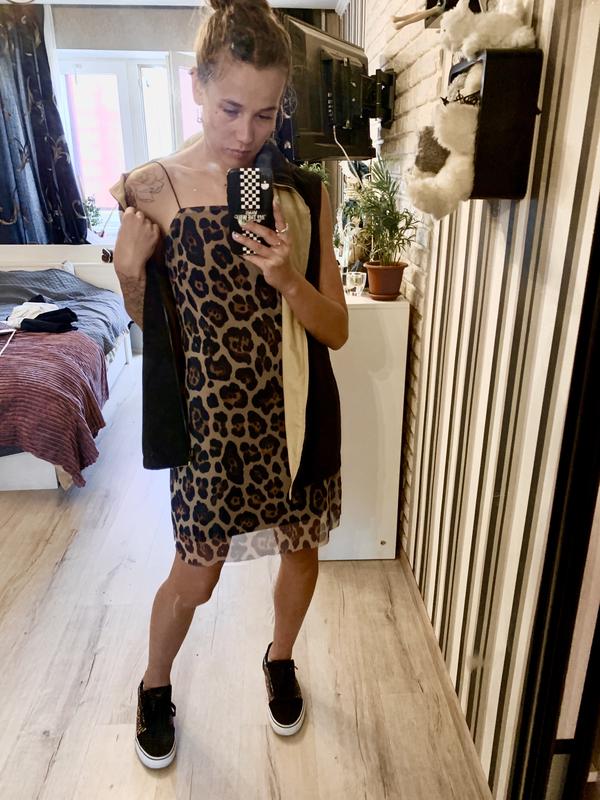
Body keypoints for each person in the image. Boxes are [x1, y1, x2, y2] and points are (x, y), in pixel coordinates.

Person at [110, 0, 347, 770]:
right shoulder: (152, 188)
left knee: (301, 554)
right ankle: (154, 684)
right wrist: (127, 272)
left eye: (267, 114)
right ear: (197, 87)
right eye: (230, 109)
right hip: (210, 427)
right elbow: (155, 332)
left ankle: (280, 658)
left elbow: (335, 329)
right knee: (196, 577)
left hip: (296, 418)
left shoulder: (300, 193)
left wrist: (287, 278)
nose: (247, 135)